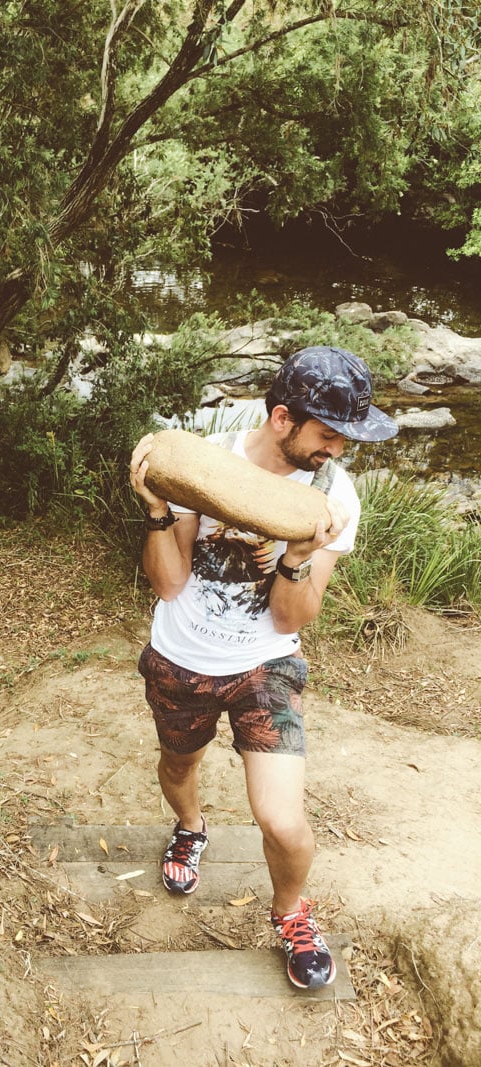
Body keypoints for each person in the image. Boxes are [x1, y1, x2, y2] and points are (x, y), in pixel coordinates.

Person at [129, 346, 398, 990]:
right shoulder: (204, 464)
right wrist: (158, 510)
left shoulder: (334, 498)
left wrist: (296, 556)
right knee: (178, 767)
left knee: (281, 819)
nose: (338, 451)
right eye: (329, 436)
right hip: (181, 657)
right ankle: (191, 829)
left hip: (264, 667)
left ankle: (290, 913)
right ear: (283, 418)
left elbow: (289, 620)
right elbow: (168, 585)